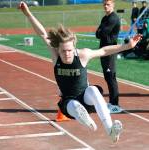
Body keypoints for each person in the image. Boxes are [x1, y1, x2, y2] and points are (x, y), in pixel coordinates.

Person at [19, 1, 141, 143]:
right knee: (74, 106)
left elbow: (104, 50)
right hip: (68, 104)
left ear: (74, 48)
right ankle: (85, 119)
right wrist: (28, 14)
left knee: (94, 91)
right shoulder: (56, 56)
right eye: (64, 51)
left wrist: (127, 46)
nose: (67, 54)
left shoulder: (82, 55)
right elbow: (42, 33)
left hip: (85, 98)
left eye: (70, 50)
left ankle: (110, 130)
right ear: (58, 49)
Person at [95, 0, 121, 113]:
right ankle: (111, 102)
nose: (106, 6)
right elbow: (97, 34)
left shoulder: (113, 18)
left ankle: (115, 104)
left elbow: (103, 32)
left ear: (113, 5)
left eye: (108, 4)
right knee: (107, 76)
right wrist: (100, 31)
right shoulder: (105, 18)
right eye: (104, 4)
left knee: (111, 77)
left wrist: (100, 31)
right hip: (103, 50)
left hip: (110, 50)